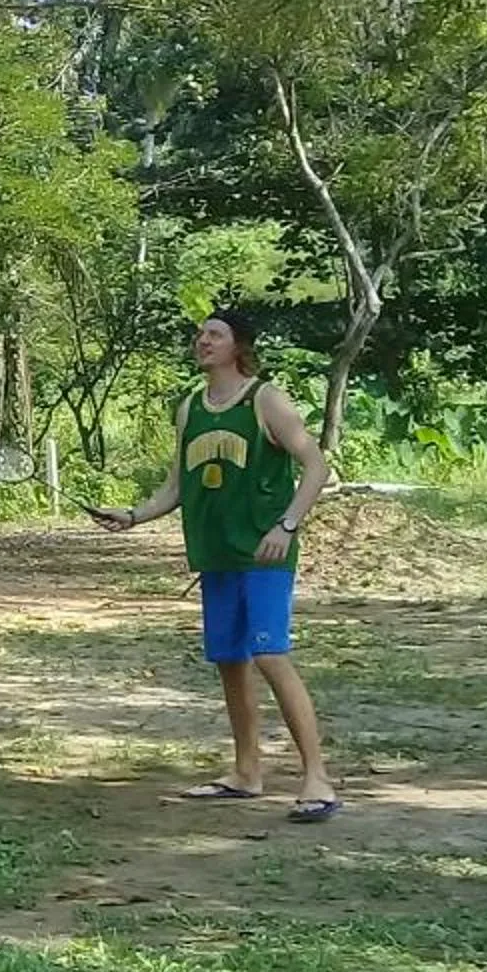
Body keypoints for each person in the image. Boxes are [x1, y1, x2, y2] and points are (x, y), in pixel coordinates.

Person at [90, 310, 339, 821]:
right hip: (216, 554)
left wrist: (286, 525)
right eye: (200, 334)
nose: (202, 341)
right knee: (230, 660)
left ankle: (318, 777)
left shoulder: (264, 399)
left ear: (238, 345)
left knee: (271, 656)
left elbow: (316, 465)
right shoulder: (189, 409)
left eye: (214, 334)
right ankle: (246, 773)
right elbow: (177, 487)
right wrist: (132, 515)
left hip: (264, 553)